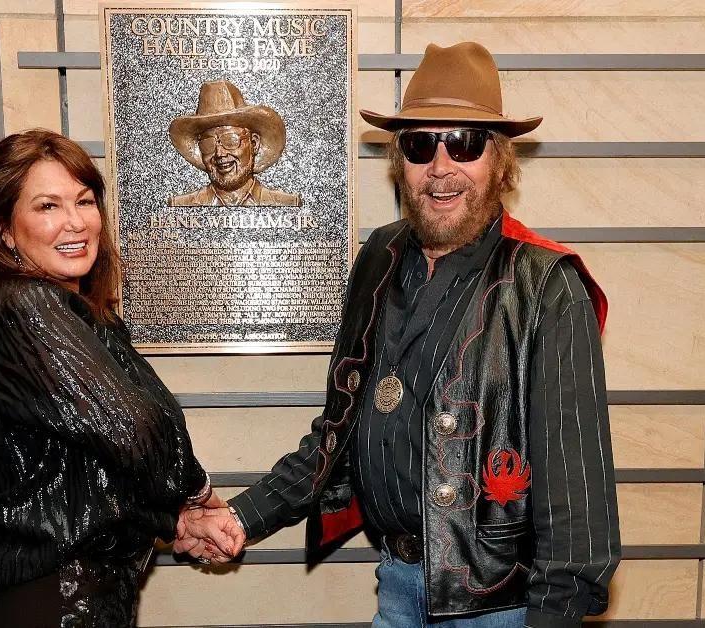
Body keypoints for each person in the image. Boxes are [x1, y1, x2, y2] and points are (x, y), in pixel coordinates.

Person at [182, 42, 622, 627]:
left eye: (463, 142)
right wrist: (241, 517)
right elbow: (337, 435)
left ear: (500, 160)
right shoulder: (378, 258)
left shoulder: (547, 285)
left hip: (500, 609)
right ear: (399, 161)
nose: (440, 166)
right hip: (395, 588)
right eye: (420, 144)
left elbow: (579, 507)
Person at [0, 129, 244, 628]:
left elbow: (89, 474)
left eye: (84, 201)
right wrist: (196, 494)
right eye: (47, 206)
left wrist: (173, 522)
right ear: (2, 229)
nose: (75, 221)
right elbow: (130, 427)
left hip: (76, 591)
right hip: (50, 595)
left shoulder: (84, 318)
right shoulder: (22, 305)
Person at [168, 79, 301, 207]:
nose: (219, 153)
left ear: (254, 143)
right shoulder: (181, 205)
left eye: (230, 140)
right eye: (209, 144)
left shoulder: (287, 204)